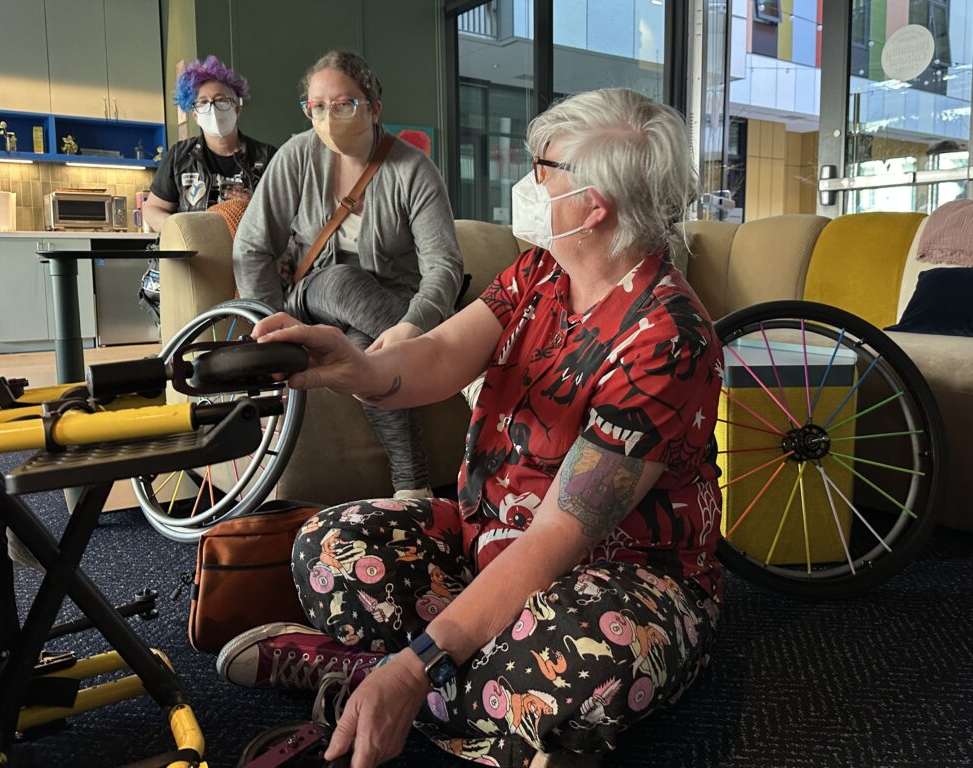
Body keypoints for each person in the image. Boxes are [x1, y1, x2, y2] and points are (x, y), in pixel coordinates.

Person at [219, 88, 724, 768]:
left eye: (543, 167)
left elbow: (552, 541)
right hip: (483, 539)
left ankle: (374, 677)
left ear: (594, 204)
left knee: (588, 666)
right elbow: (437, 357)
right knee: (328, 547)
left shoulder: (667, 338)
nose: (531, 181)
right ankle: (492, 713)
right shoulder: (541, 273)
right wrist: (355, 367)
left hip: (614, 579)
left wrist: (413, 665)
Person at [232, 50, 463, 499]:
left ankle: (412, 490)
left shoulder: (414, 170)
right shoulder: (296, 157)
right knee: (340, 279)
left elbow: (444, 265)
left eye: (344, 104)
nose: (328, 116)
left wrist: (410, 328)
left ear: (374, 108)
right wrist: (272, 327)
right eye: (317, 106)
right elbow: (252, 245)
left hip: (392, 302)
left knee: (366, 360)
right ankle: (467, 370)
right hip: (312, 298)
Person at [142, 55, 277, 233]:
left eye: (221, 100)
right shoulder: (179, 156)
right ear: (196, 115)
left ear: (237, 109)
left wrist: (255, 206)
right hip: (196, 255)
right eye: (203, 102)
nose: (212, 108)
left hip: (248, 255)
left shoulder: (267, 156)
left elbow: (287, 216)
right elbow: (152, 209)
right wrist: (180, 230)